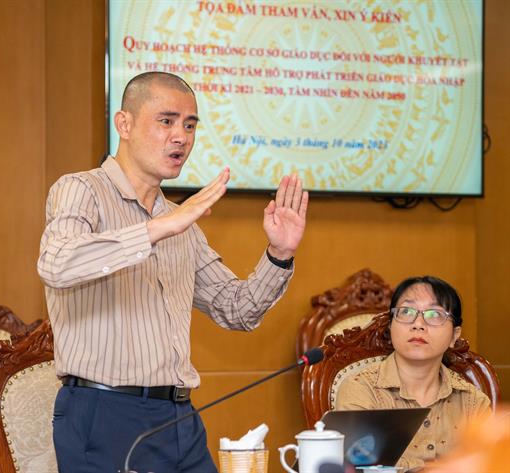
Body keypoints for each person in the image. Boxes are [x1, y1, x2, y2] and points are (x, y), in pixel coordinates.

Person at [38, 71, 308, 472]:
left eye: (190, 125)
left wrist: (279, 253)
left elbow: (237, 309)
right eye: (166, 121)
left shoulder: (181, 221)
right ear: (124, 124)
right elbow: (56, 263)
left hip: (179, 417)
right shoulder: (82, 190)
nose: (181, 136)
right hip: (104, 414)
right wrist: (157, 229)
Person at [335, 276, 491, 472]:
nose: (418, 324)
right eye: (407, 312)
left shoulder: (473, 402)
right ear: (391, 326)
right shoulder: (361, 390)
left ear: (454, 335)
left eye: (434, 314)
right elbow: (359, 466)